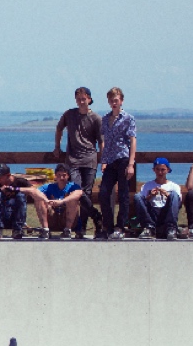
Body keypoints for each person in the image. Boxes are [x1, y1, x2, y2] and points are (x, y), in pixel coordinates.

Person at [52, 87, 104, 237]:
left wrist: (103, 159)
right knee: (76, 192)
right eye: (78, 98)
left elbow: (101, 141)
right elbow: (59, 128)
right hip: (72, 160)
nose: (81, 101)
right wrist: (57, 147)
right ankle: (95, 216)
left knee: (86, 193)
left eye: (84, 98)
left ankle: (81, 227)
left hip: (89, 160)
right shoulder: (69, 114)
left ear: (89, 99)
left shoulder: (96, 118)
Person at [97, 87, 137, 240]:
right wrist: (103, 160)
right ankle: (108, 226)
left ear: (121, 101)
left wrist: (131, 164)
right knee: (104, 193)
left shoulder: (128, 118)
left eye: (116, 100)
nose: (114, 103)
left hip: (123, 158)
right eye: (111, 100)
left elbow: (133, 140)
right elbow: (104, 141)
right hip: (110, 160)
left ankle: (120, 226)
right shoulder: (105, 119)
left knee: (123, 194)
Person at [26, 164, 85, 240]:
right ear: (55, 176)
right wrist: (46, 201)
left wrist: (62, 201)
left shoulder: (73, 186)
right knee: (39, 199)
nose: (61, 178)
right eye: (59, 175)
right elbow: (34, 191)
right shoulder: (48, 186)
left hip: (67, 219)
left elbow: (79, 193)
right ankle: (45, 230)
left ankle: (67, 231)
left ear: (68, 176)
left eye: (64, 175)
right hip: (52, 218)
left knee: (73, 200)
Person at [132, 157, 182, 240]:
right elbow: (141, 204)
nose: (160, 172)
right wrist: (150, 196)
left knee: (173, 194)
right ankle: (149, 228)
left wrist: (168, 195)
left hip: (166, 213)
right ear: (154, 170)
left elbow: (178, 204)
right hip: (152, 213)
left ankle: (171, 228)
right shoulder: (146, 186)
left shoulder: (174, 186)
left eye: (163, 170)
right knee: (138, 196)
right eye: (157, 169)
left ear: (168, 170)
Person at [0, 164, 34, 239]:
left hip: (17, 216)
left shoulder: (20, 181)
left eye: (0, 178)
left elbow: (33, 190)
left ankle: (17, 230)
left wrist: (15, 189)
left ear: (8, 175)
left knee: (20, 196)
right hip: (3, 215)